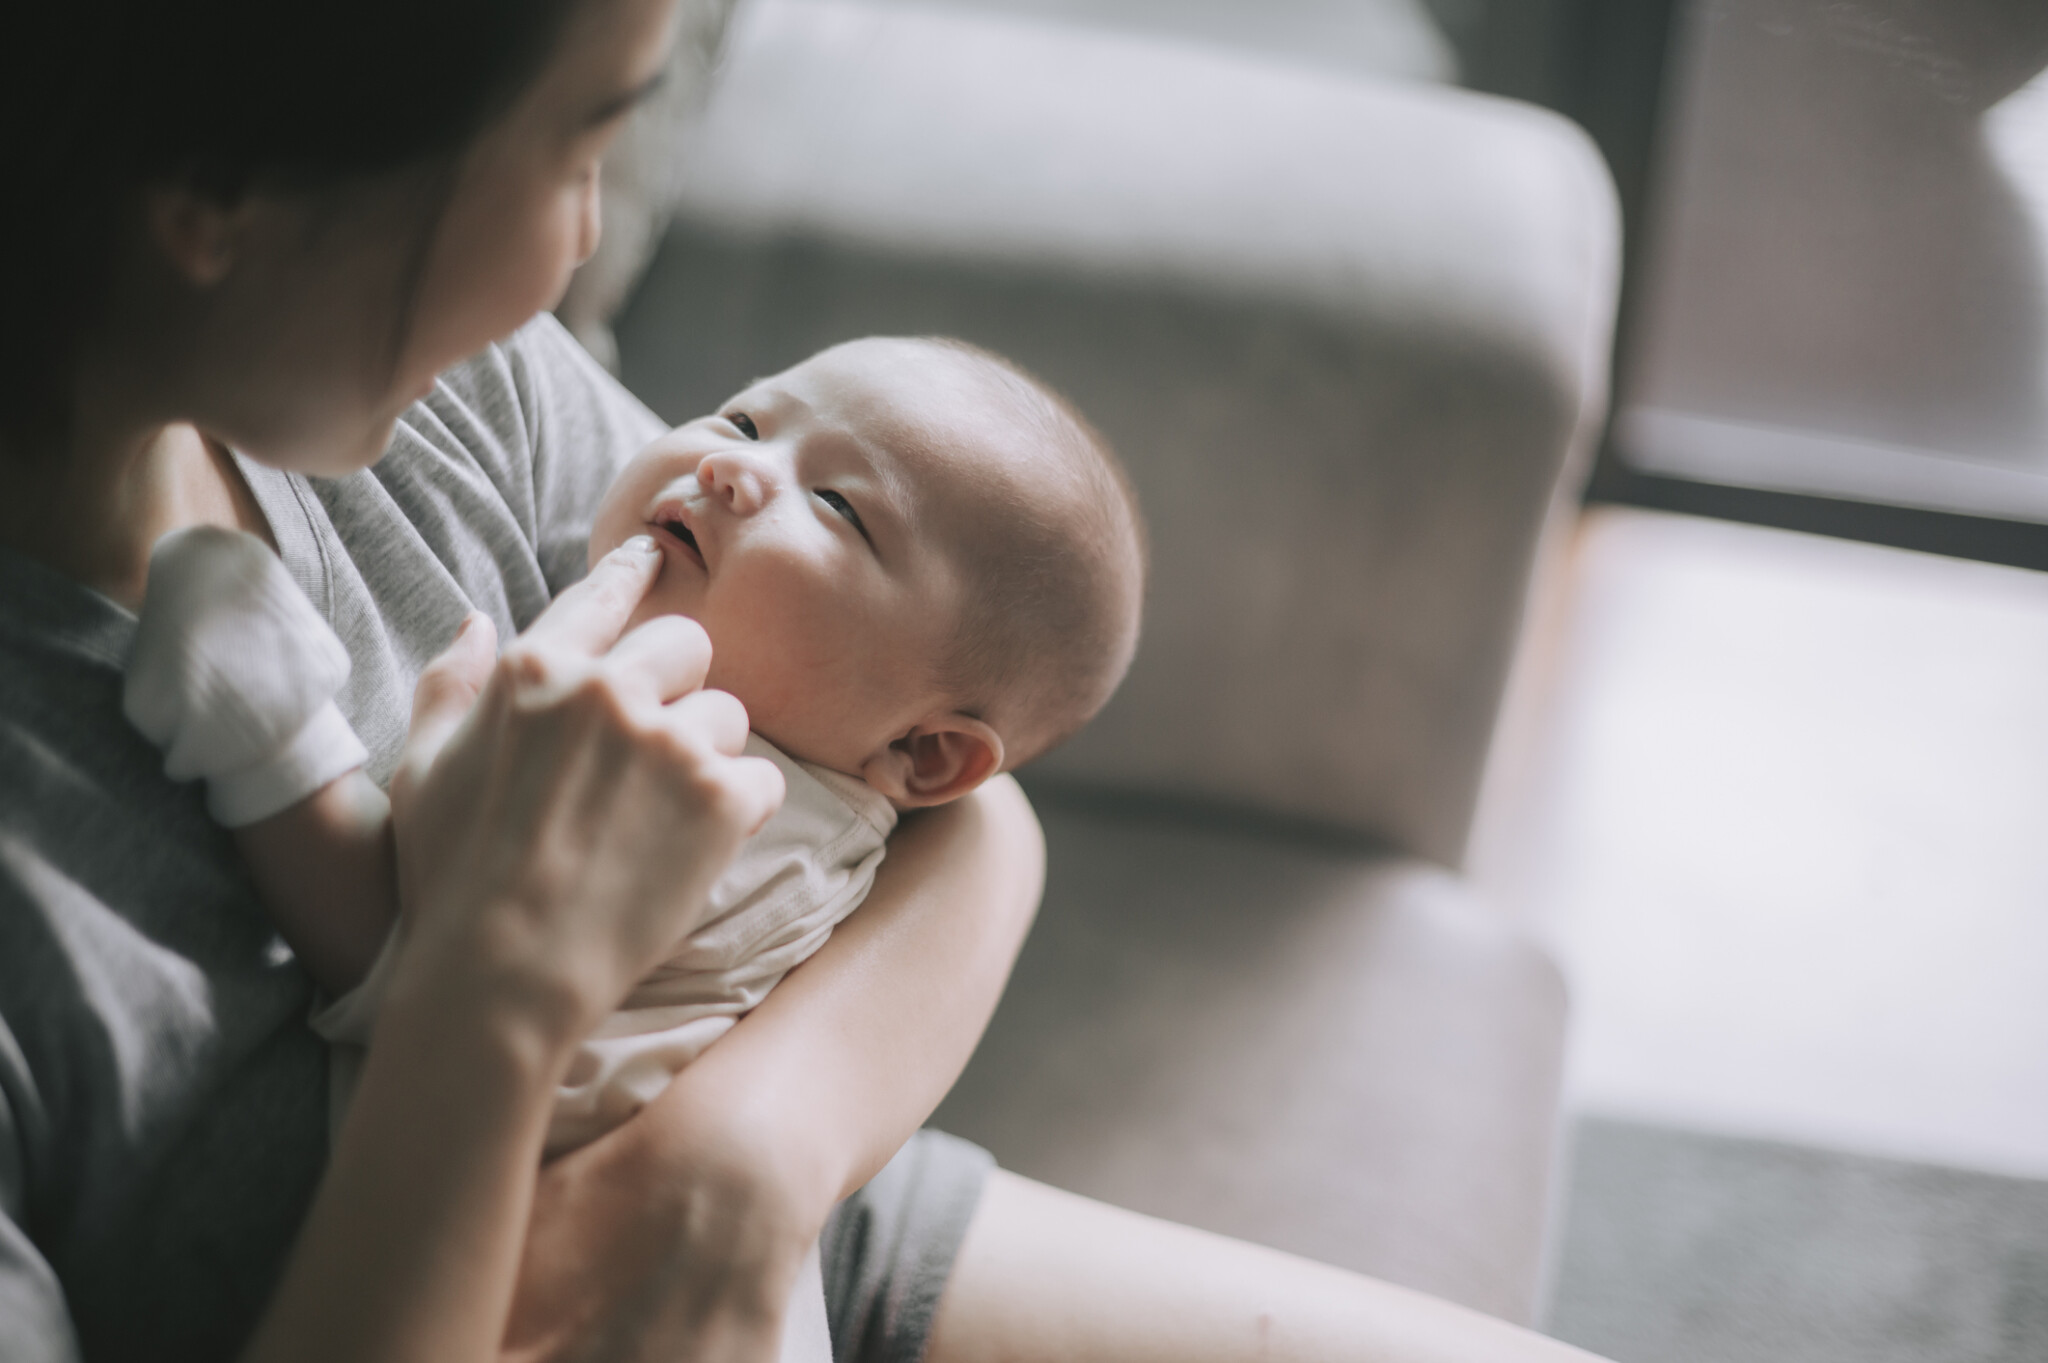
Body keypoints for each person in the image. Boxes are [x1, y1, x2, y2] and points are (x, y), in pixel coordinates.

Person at [0, 0, 1609, 1359]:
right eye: (578, 150)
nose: (580, 250)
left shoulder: (424, 388)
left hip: (792, 1233)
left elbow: (969, 818)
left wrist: (737, 1163)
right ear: (223, 196)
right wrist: (496, 989)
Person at [118, 335, 1146, 1360]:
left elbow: (406, 953)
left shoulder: (751, 814)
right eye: (745, 419)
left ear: (923, 755)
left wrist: (269, 738)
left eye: (837, 507)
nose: (729, 465)